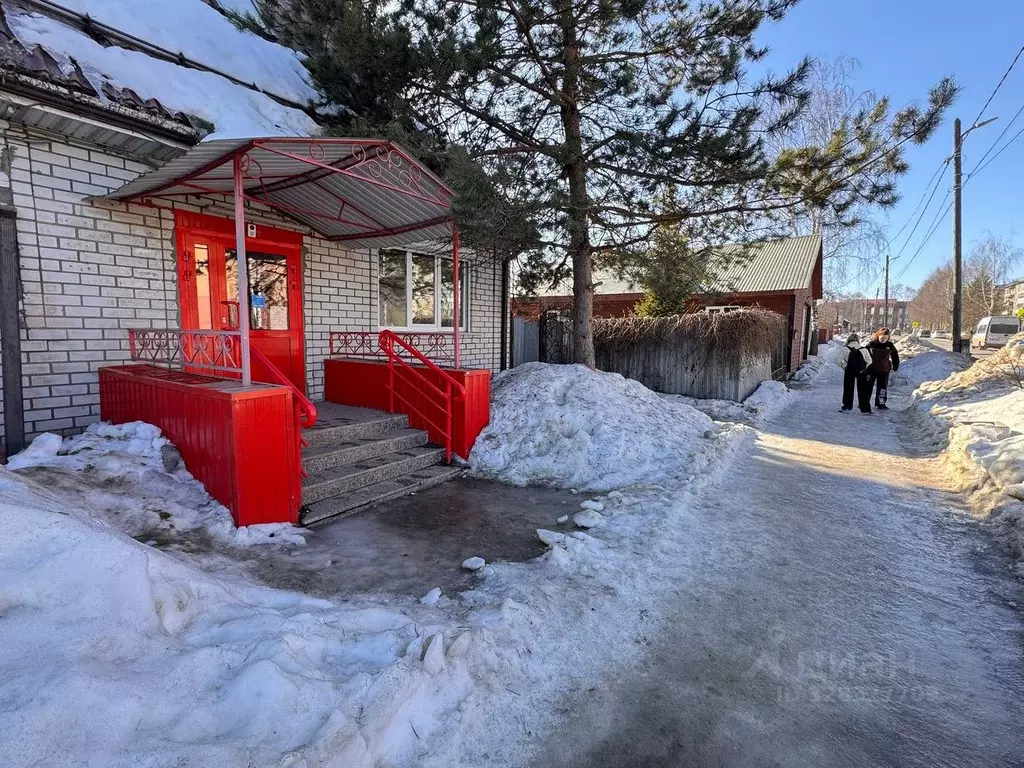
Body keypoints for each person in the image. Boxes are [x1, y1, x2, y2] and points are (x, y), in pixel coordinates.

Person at [865, 327, 900, 411]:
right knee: (868, 387)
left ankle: (881, 403)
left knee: (882, 388)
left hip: (884, 370)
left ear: (888, 338)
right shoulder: (871, 344)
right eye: (882, 338)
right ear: (878, 336)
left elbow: (895, 356)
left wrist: (895, 366)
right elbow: (864, 355)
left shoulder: (890, 346)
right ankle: (864, 402)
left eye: (885, 338)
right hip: (871, 369)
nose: (883, 340)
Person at [836, 333, 872, 413]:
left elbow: (837, 361)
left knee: (848, 388)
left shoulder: (844, 349)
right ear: (858, 340)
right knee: (863, 389)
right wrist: (863, 368)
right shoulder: (863, 349)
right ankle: (865, 408)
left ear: (848, 340)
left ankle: (847, 406)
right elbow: (869, 361)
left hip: (849, 371)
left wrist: (844, 366)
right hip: (861, 371)